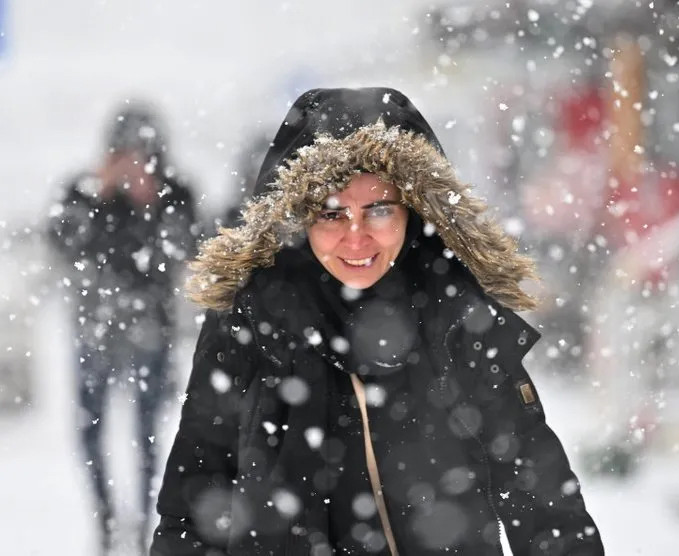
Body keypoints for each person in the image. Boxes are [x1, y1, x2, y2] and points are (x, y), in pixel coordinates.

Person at [151, 88, 604, 555]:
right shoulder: (249, 324)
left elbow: (544, 502)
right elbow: (195, 501)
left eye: (379, 210)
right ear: (297, 219)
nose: (356, 236)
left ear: (416, 210)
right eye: (331, 213)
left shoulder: (457, 317)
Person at [48, 100, 199, 555]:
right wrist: (99, 194)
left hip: (151, 327)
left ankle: (147, 521)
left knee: (149, 432)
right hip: (94, 328)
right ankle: (106, 517)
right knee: (90, 430)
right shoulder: (82, 189)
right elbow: (60, 241)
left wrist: (150, 205)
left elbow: (185, 250)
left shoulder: (174, 192)